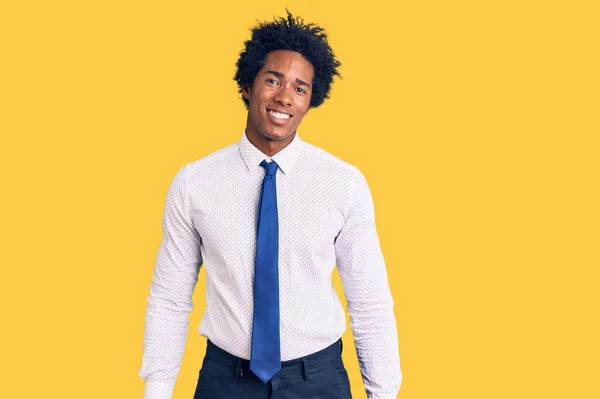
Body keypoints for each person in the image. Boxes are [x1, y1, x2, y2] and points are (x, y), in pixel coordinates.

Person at [139, 10, 402, 399]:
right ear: (248, 85)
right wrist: (157, 390)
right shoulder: (195, 183)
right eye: (273, 80)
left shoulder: (343, 183)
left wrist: (383, 392)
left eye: (300, 88)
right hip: (226, 380)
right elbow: (170, 298)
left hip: (319, 380)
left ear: (311, 100)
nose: (284, 97)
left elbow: (369, 301)